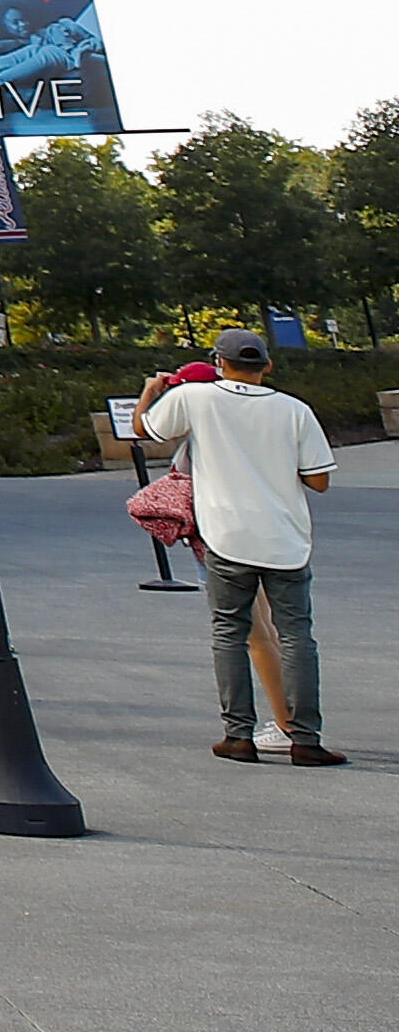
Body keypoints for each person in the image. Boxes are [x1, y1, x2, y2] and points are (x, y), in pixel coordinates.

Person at [144, 328, 343, 766]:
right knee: (295, 636)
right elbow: (319, 480)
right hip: (285, 539)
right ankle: (305, 739)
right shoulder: (295, 410)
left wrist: (150, 391)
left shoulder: (195, 398)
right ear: (267, 365)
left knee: (228, 634)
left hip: (226, 536)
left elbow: (147, 429)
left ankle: (238, 735)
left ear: (219, 361)